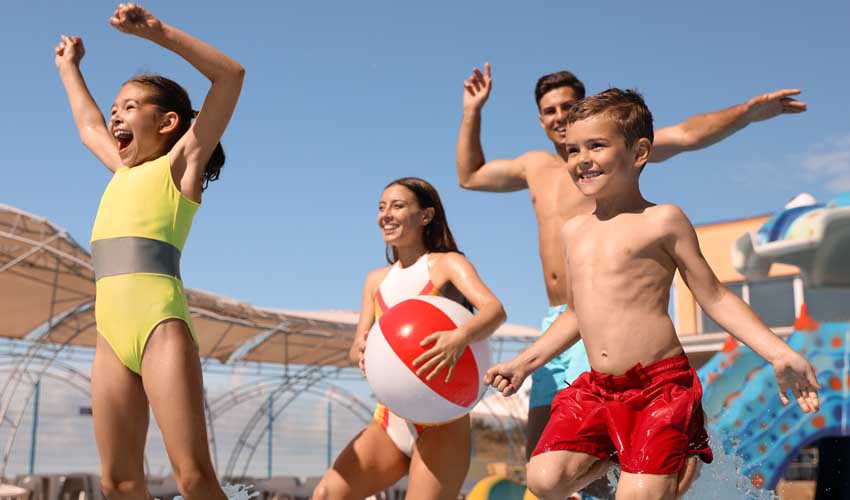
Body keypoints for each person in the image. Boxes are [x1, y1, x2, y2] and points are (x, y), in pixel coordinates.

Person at [456, 62, 808, 464]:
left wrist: (746, 113)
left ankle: (668, 465)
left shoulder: (614, 153)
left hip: (611, 318)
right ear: (540, 120)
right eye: (550, 111)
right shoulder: (533, 167)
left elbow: (689, 134)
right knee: (543, 459)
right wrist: (472, 111)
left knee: (614, 455)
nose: (560, 117)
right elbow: (470, 176)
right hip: (562, 318)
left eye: (568, 106)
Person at [55, 4, 244, 498]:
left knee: (193, 476)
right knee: (117, 483)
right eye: (115, 107)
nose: (116, 114)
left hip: (161, 329)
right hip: (109, 337)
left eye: (131, 106)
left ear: (168, 122)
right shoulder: (121, 170)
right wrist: (69, 67)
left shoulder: (181, 166)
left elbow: (230, 77)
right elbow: (87, 125)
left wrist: (158, 33)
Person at [313, 177, 506, 500]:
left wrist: (459, 338)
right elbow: (355, 349)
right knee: (326, 494)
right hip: (390, 419)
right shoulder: (375, 281)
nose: (386, 215)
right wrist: (362, 350)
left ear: (426, 216)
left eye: (398, 206)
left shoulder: (447, 264)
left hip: (443, 420)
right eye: (381, 207)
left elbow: (494, 311)